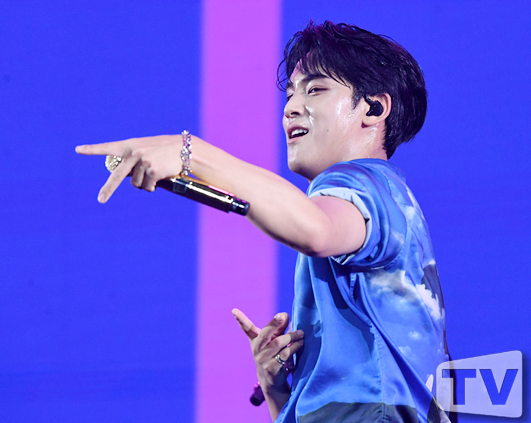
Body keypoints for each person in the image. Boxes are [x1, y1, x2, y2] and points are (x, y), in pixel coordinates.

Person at [77, 21, 452, 423]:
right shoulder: (368, 198)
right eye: (290, 95)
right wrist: (277, 388)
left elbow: (316, 230)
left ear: (374, 108)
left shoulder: (366, 183)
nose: (291, 107)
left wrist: (191, 154)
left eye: (315, 90)